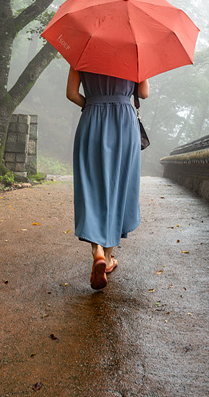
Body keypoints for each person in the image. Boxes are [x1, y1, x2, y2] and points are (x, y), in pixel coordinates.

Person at [66, 66, 149, 290]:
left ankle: (98, 252)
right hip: (124, 122)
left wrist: (94, 104)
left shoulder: (82, 55)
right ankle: (109, 256)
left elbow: (72, 94)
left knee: (91, 186)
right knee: (119, 184)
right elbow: (143, 93)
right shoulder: (135, 56)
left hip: (92, 120)